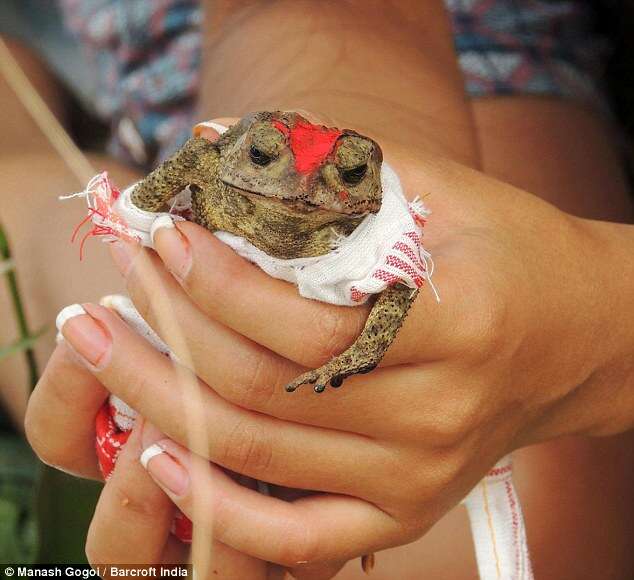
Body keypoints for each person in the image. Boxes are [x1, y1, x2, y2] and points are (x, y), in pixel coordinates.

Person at [2, 0, 633, 578]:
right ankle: (18, 97)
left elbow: (409, 288)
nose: (308, 190)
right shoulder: (221, 162)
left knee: (525, 523)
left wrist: (600, 325)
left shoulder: (371, 215)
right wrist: (142, 219)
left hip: (483, 39)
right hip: (244, 40)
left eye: (349, 174)